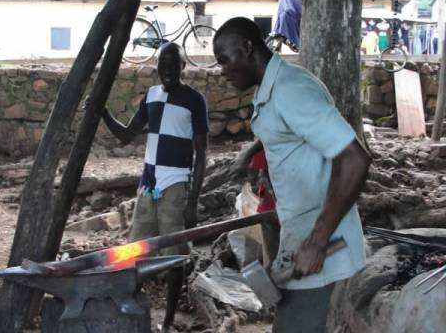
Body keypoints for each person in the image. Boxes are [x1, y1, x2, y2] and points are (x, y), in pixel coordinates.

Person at [213, 17, 371, 333]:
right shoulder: (274, 89)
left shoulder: (291, 89)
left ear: (247, 48)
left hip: (322, 245)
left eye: (225, 60)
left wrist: (318, 239)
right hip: (300, 235)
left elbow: (355, 159)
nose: (222, 70)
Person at [100, 42, 208, 332]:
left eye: (174, 64)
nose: (169, 70)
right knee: (135, 251)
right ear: (156, 67)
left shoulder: (194, 100)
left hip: (175, 186)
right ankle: (132, 312)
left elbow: (201, 155)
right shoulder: (151, 96)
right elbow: (126, 135)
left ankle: (170, 320)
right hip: (148, 186)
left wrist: (193, 199)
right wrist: (102, 110)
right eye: (163, 65)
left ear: (183, 66)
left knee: (174, 255)